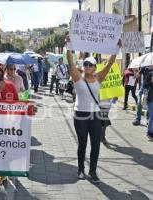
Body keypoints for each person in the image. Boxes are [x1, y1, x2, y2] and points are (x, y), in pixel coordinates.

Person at [65, 34, 121, 183]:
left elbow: (109, 63)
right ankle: (81, 169)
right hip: (80, 115)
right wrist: (68, 46)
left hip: (96, 115)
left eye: (91, 65)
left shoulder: (98, 78)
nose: (88, 67)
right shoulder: (78, 77)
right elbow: (71, 64)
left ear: (95, 67)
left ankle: (93, 171)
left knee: (95, 145)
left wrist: (116, 48)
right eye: (86, 65)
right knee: (82, 144)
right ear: (83, 66)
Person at [142, 69, 153, 141]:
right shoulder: (150, 74)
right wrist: (151, 82)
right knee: (152, 116)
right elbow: (144, 85)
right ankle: (149, 133)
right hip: (151, 98)